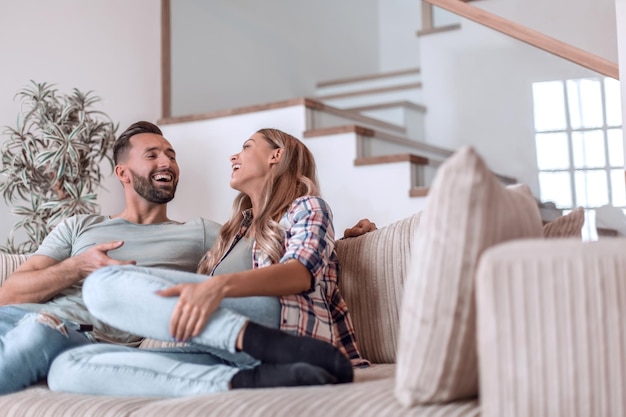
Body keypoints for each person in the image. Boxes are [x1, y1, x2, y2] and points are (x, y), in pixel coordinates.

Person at [0, 121, 376, 395]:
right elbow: (8, 294)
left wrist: (344, 242)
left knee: (99, 288)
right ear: (123, 173)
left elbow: (300, 263)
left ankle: (263, 346)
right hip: (221, 352)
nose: (168, 161)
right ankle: (245, 381)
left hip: (274, 325)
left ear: (276, 156)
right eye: (153, 155)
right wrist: (79, 264)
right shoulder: (232, 230)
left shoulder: (204, 230)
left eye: (171, 155)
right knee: (66, 373)